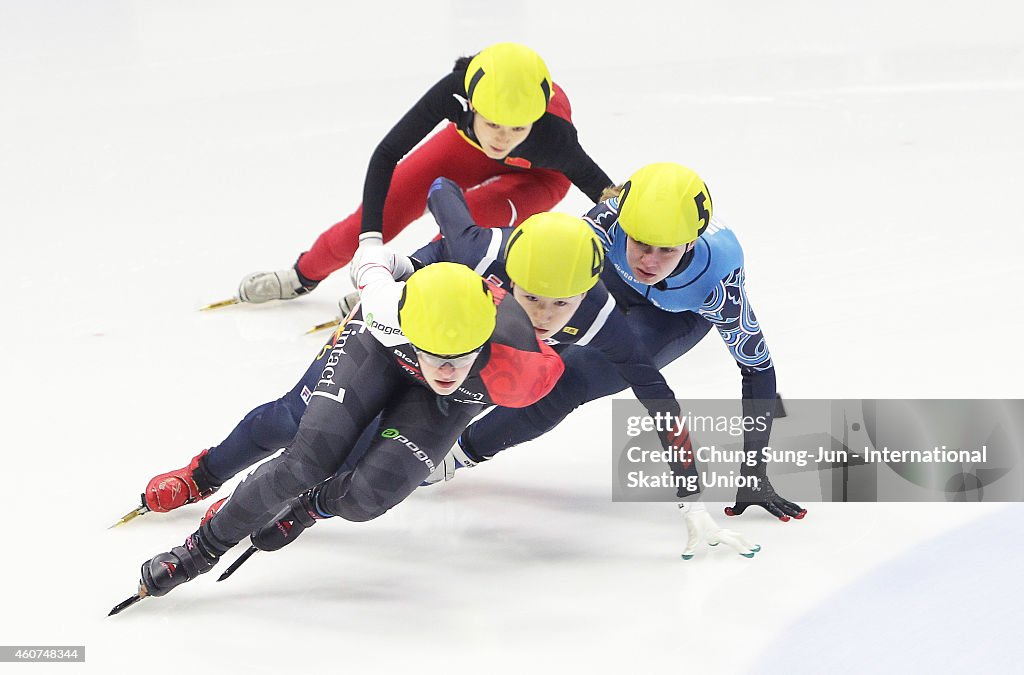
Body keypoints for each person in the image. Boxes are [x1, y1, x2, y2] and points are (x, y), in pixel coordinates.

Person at [134, 256, 565, 599]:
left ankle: (306, 508)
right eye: (434, 355)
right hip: (379, 350)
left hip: (445, 402)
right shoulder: (383, 305)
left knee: (371, 495)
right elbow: (377, 259)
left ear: (488, 342)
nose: (445, 369)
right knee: (305, 457)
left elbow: (557, 388)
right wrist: (409, 269)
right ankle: (197, 548)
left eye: (459, 357)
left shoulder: (523, 371)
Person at [432, 162, 808, 528]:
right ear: (624, 225)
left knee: (574, 378)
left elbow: (757, 369)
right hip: (606, 280)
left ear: (691, 242)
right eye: (641, 243)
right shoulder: (603, 225)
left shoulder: (717, 282)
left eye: (667, 250)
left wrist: (754, 469)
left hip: (671, 315)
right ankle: (420, 423)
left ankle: (457, 456)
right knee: (519, 341)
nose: (649, 260)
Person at [236, 42, 615, 304]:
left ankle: (402, 286)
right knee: (376, 216)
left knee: (468, 223)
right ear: (471, 105)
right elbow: (387, 154)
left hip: (540, 176)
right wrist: (370, 241)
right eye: (494, 123)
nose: (502, 138)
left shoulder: (554, 139)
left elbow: (608, 201)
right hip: (466, 147)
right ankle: (302, 275)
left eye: (518, 128)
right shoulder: (455, 91)